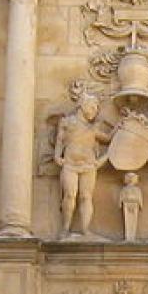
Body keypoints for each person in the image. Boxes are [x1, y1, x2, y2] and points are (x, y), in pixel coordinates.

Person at [55, 87, 109, 239]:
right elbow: (60, 139)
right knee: (70, 195)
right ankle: (65, 229)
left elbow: (108, 138)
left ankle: (86, 229)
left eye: (97, 108)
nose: (95, 110)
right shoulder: (67, 122)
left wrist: (120, 127)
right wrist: (57, 156)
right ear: (82, 105)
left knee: (86, 196)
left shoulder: (93, 128)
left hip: (89, 165)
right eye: (93, 106)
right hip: (70, 164)